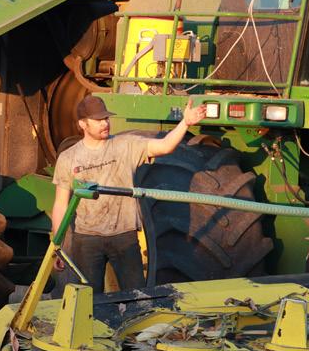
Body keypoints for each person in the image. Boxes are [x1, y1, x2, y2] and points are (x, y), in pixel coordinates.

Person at [50, 94, 207, 292]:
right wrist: (58, 247)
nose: (105, 123)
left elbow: (165, 146)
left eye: (106, 118)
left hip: (124, 237)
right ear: (82, 124)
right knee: (88, 301)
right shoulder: (68, 158)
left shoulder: (126, 145)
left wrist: (185, 123)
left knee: (135, 297)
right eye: (98, 120)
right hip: (86, 240)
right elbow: (60, 205)